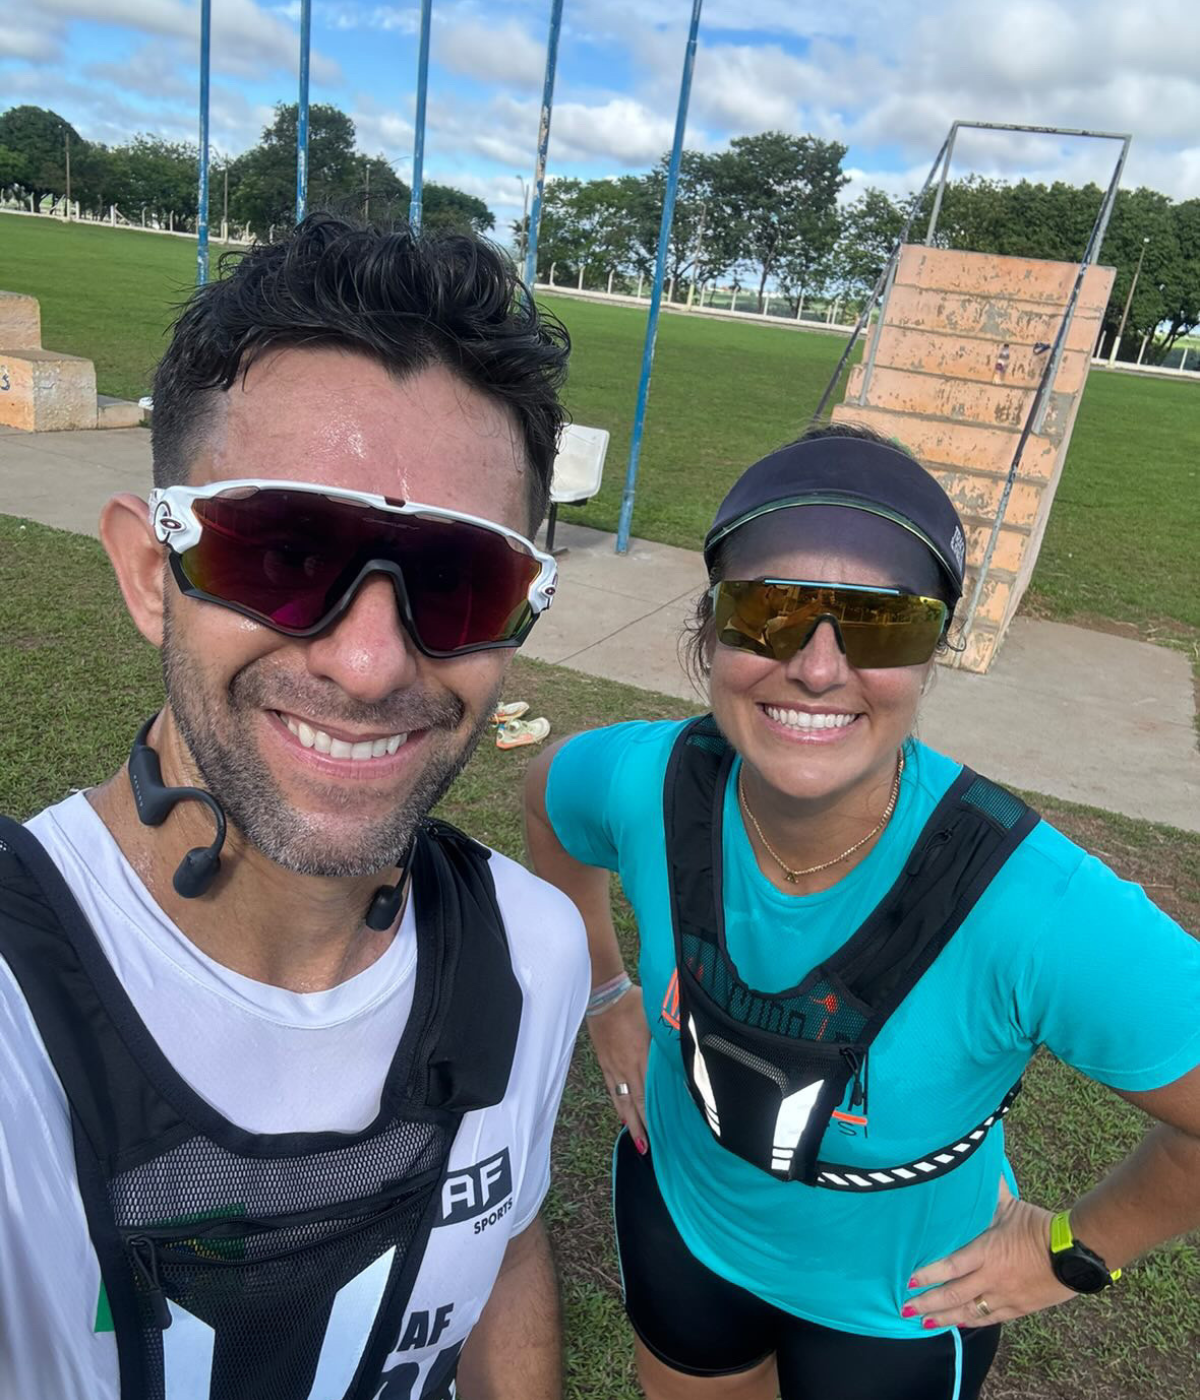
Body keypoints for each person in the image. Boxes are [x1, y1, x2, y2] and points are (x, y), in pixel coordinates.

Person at [0, 217, 591, 1400]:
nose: (369, 664)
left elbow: (508, 1236)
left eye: (460, 578)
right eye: (280, 553)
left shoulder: (535, 950)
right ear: (149, 573)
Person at [524, 422, 1200, 1400]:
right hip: (681, 1221)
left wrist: (1073, 1252)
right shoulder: (648, 782)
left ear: (933, 653)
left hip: (895, 1309)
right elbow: (547, 802)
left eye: (882, 623)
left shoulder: (1025, 900)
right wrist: (605, 993)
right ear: (711, 630)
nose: (817, 666)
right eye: (770, 609)